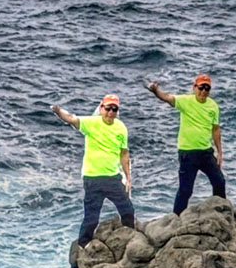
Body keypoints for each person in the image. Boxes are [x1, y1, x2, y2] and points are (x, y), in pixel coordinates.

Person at [50, 95, 135, 251]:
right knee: (91, 218)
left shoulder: (121, 127)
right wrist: (58, 111)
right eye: (108, 108)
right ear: (101, 108)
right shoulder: (91, 123)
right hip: (92, 179)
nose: (110, 112)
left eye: (114, 109)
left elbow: (124, 154)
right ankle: (83, 245)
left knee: (127, 210)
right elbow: (71, 119)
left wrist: (128, 178)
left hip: (113, 179)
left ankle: (130, 238)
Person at [145, 74, 226, 215]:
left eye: (207, 88)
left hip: (206, 152)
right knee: (185, 190)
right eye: (201, 88)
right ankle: (176, 219)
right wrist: (156, 91)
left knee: (219, 182)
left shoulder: (213, 106)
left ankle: (221, 213)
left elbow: (216, 130)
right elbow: (167, 98)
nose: (203, 91)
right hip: (187, 154)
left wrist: (219, 152)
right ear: (194, 87)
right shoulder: (185, 101)